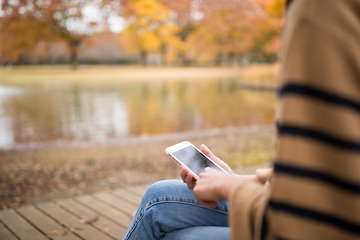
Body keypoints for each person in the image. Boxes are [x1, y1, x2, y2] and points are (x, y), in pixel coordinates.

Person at [123, 0, 360, 239]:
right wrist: (241, 180)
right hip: (284, 197)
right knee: (158, 197)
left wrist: (231, 188)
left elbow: (315, 216)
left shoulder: (320, 10)